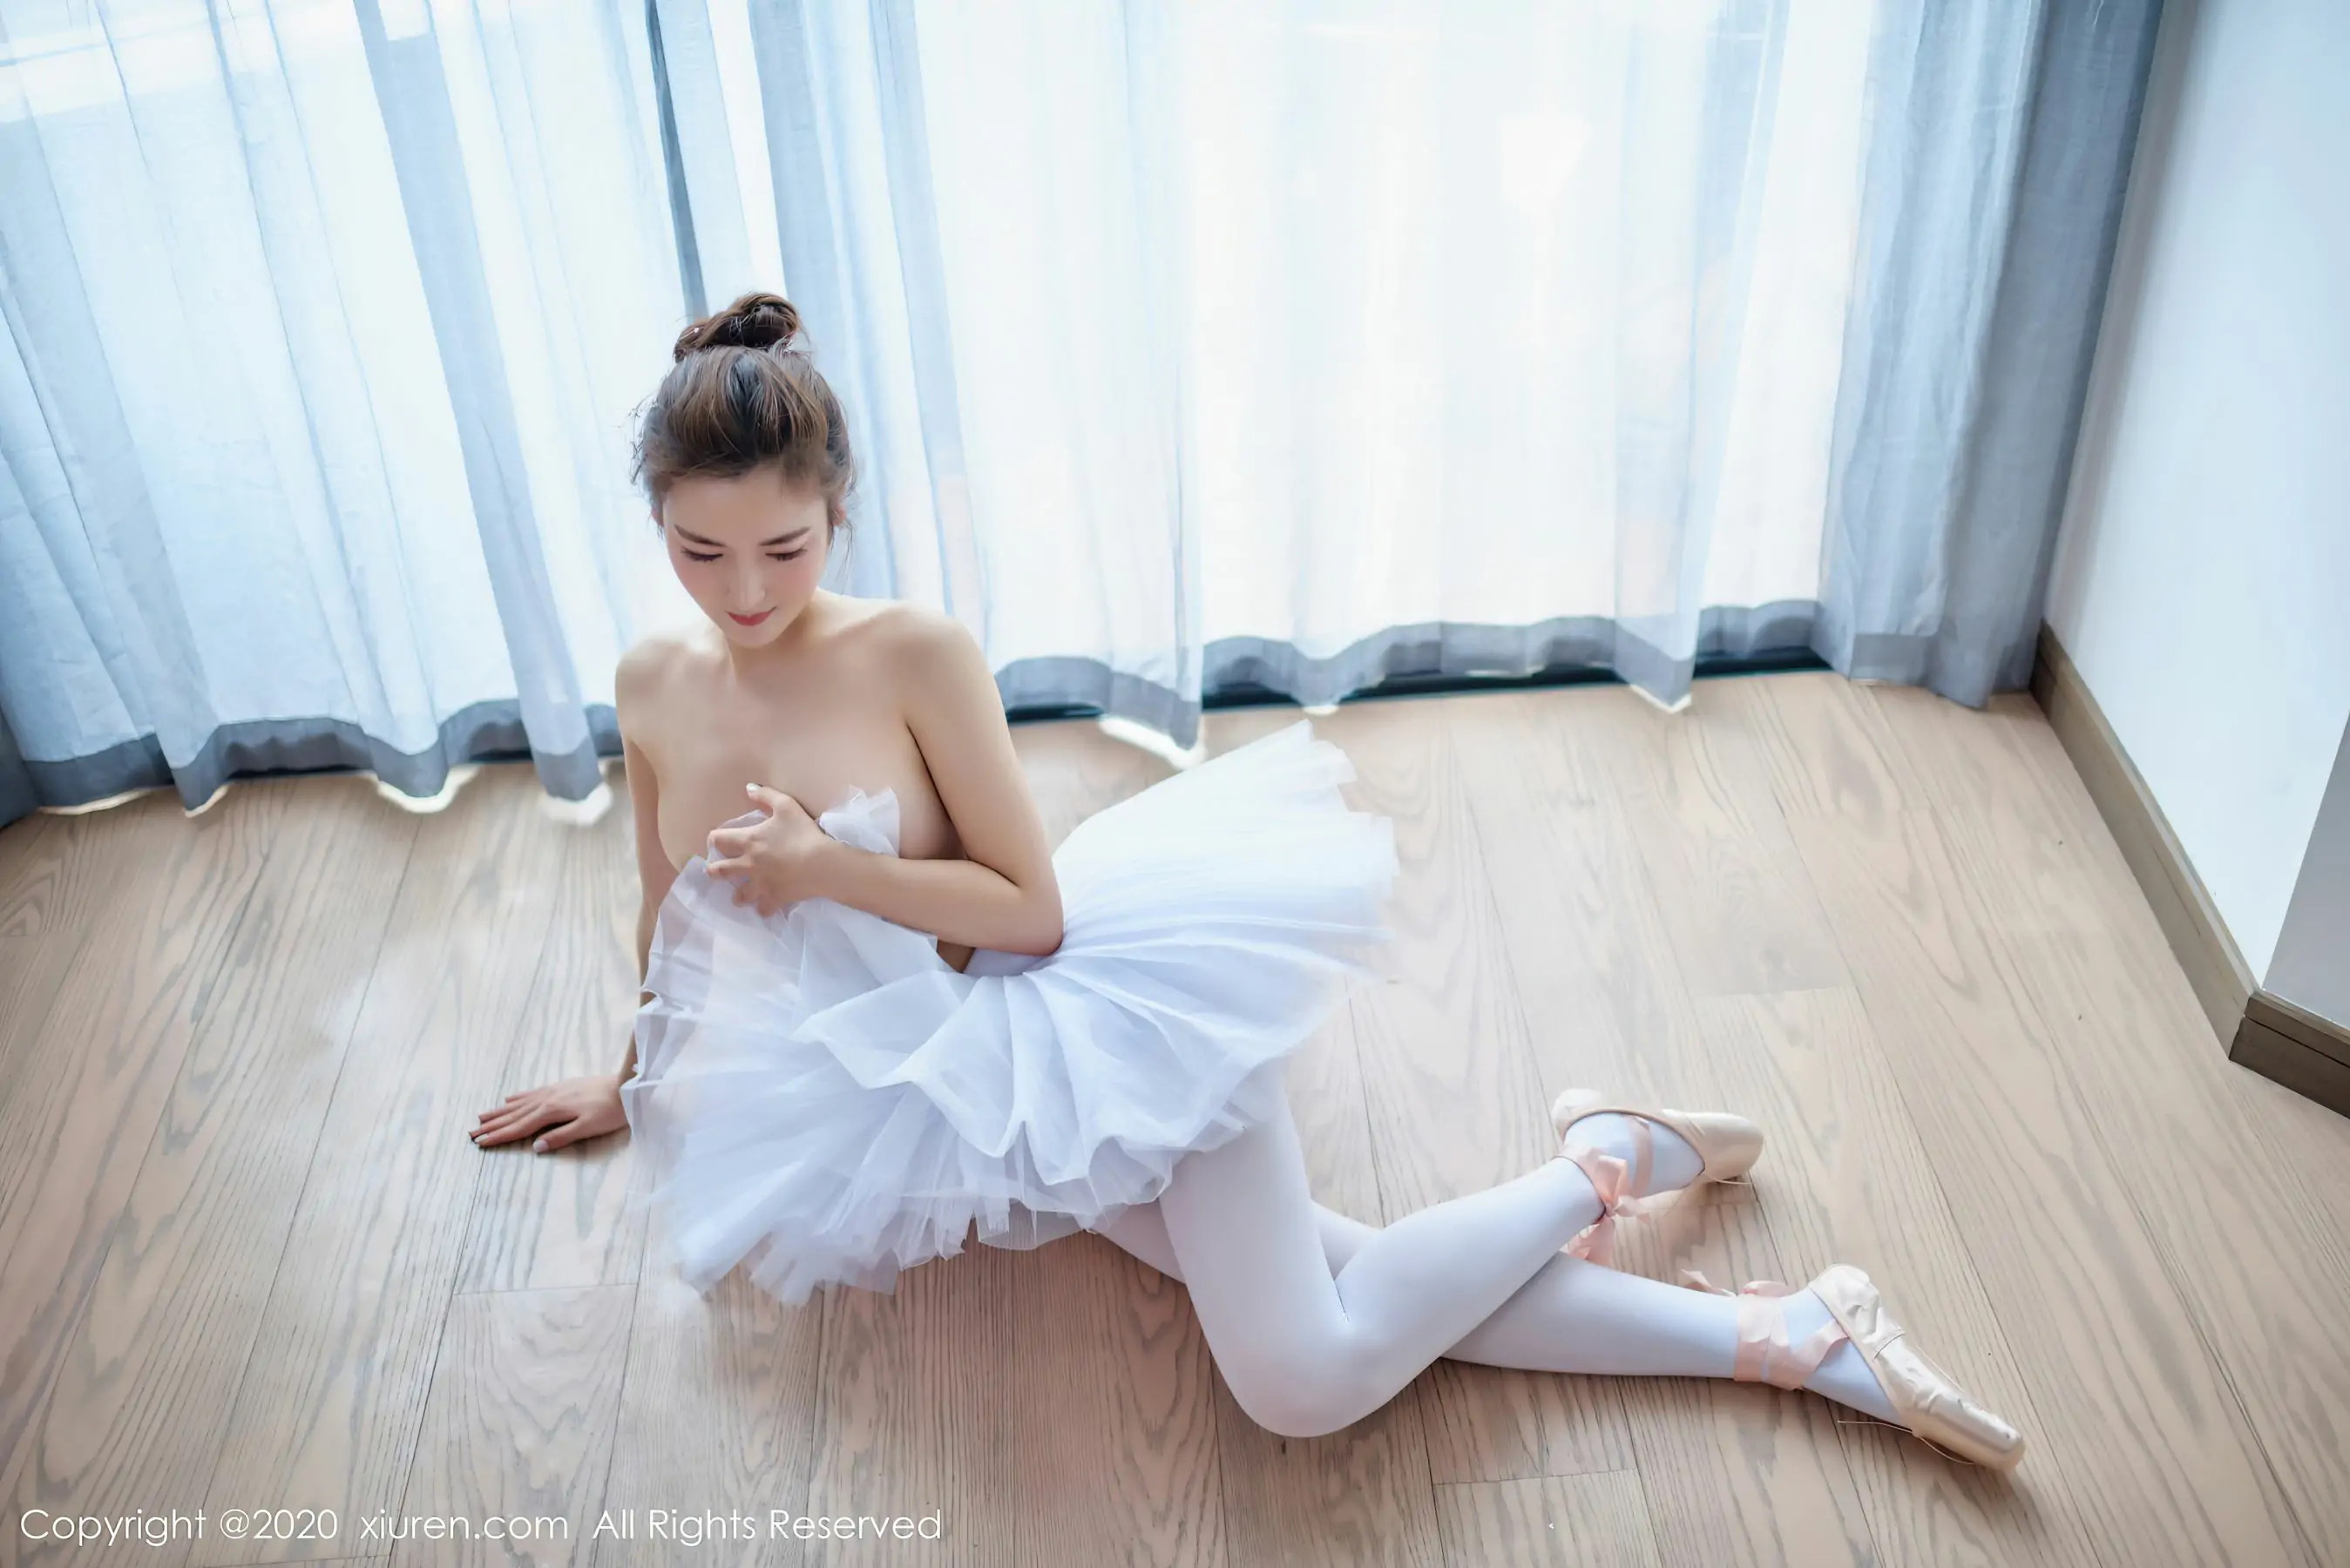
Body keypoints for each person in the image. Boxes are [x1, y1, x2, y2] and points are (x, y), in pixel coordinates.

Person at [471, 292, 2023, 1467]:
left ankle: (1606, 1165)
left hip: (1079, 1008)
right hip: (932, 1080)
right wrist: (630, 1075)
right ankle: (1790, 1328)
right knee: (1349, 1285)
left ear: (836, 513)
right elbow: (669, 905)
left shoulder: (913, 653)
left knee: (1300, 1379)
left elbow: (1031, 912)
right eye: (702, 555)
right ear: (659, 525)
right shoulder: (653, 682)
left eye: (787, 549)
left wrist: (825, 871)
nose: (746, 592)